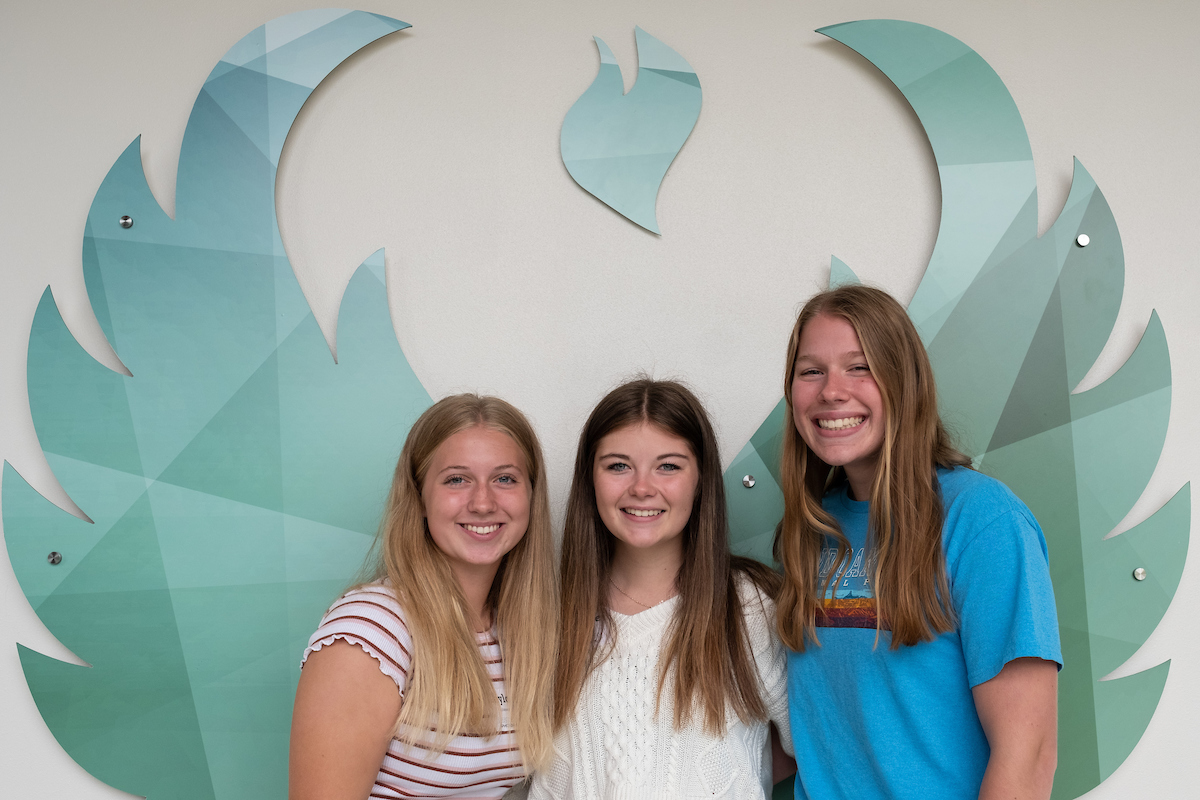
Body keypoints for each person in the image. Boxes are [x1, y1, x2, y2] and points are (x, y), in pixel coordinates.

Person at [775, 285, 1061, 799]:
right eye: (810, 370)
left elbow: (1029, 754)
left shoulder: (983, 521)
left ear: (903, 382)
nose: (831, 391)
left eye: (859, 367)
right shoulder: (812, 528)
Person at [531, 379, 792, 800]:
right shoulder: (552, 616)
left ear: (701, 479)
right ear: (590, 479)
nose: (641, 488)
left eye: (668, 466)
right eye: (618, 465)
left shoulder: (748, 607)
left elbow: (818, 749)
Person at [289, 394, 557, 799]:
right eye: (456, 479)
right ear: (419, 498)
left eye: (505, 478)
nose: (483, 502)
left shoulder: (519, 630)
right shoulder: (372, 630)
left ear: (531, 496)